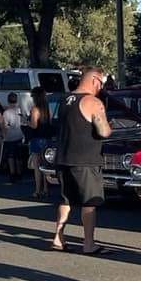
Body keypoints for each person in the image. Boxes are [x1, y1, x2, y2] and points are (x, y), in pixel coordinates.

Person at [51, 68, 111, 253]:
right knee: (89, 202)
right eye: (100, 83)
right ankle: (88, 243)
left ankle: (58, 237)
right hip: (85, 160)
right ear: (94, 80)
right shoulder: (93, 101)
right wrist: (109, 127)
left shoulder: (65, 100)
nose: (101, 88)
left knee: (66, 200)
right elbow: (103, 131)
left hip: (63, 157)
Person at [0, 92, 26, 182]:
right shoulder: (20, 111)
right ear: (16, 100)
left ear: (8, 101)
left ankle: (12, 173)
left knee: (11, 156)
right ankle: (20, 173)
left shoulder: (6, 113)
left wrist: (3, 135)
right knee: (19, 156)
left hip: (9, 137)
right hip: (19, 135)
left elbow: (5, 126)